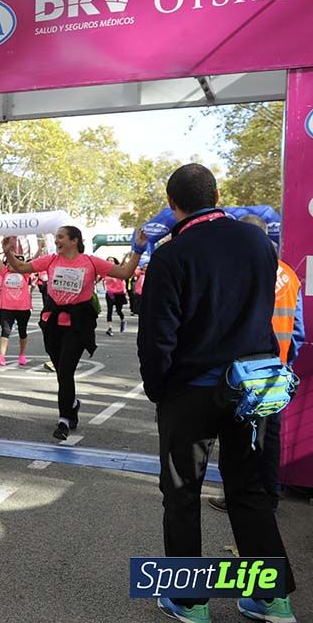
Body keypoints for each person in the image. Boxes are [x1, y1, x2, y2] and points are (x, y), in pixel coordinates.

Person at [136, 164, 297, 623]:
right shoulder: (258, 244)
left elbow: (157, 336)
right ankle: (272, 599)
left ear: (172, 205)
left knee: (182, 495)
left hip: (192, 393)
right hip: (256, 388)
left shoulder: (171, 254)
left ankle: (190, 601)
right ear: (218, 194)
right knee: (251, 492)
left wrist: (158, 389)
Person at [4, 226, 145, 441]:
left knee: (66, 370)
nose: (56, 240)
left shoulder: (90, 262)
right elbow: (21, 268)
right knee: (60, 367)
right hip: (53, 322)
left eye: (60, 237)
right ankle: (72, 405)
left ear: (74, 240)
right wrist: (7, 252)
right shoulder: (51, 260)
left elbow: (125, 272)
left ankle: (63, 420)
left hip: (78, 323)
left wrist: (139, 250)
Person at [205, 216, 304, 518]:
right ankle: (270, 495)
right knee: (269, 435)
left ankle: (240, 499)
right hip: (277, 369)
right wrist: (287, 360)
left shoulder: (239, 270)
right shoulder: (288, 274)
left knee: (240, 436)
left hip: (244, 369)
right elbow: (297, 329)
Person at [0, 234, 32, 367]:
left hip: (23, 308)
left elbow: (33, 260)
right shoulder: (4, 272)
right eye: (12, 262)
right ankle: (1, 355)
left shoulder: (25, 274)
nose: (15, 265)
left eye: (18, 263)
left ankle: (22, 354)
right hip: (7, 307)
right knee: (5, 331)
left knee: (22, 331)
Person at [101, 256, 128, 336]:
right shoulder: (104, 271)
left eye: (112, 260)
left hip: (119, 293)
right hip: (110, 293)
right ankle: (110, 328)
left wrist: (125, 256)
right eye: (108, 260)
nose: (110, 261)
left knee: (119, 310)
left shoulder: (118, 270)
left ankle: (123, 320)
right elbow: (97, 278)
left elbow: (122, 264)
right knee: (110, 310)